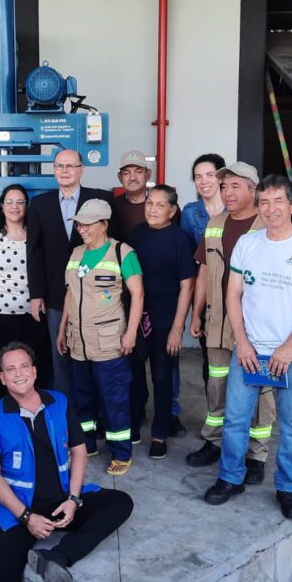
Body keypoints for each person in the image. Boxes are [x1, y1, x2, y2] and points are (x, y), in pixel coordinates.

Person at [204, 175, 292, 520]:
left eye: (278, 201)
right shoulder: (248, 244)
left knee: (291, 424)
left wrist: (288, 348)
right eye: (264, 202)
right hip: (250, 350)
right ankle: (230, 478)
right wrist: (241, 342)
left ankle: (289, 488)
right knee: (235, 420)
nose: (271, 209)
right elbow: (233, 294)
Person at [0, 341, 133, 582]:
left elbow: (80, 451)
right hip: (18, 509)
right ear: (2, 378)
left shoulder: (58, 402)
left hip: (61, 499)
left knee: (120, 502)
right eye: (10, 369)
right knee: (2, 575)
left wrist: (73, 499)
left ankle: (58, 555)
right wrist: (26, 517)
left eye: (24, 366)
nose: (18, 373)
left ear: (35, 372)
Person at [188, 162, 277, 485]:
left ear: (253, 189)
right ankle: (214, 441)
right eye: (224, 186)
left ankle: (256, 454)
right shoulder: (214, 224)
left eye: (235, 186)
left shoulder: (267, 226)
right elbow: (203, 272)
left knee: (260, 387)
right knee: (216, 383)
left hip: (256, 326)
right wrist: (196, 314)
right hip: (217, 322)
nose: (227, 191)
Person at [56, 199, 144, 476]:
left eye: (88, 224)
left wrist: (131, 333)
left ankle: (121, 452)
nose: (81, 228)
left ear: (104, 224)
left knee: (114, 398)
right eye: (79, 223)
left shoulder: (122, 253)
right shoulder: (76, 253)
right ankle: (87, 444)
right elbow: (70, 293)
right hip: (78, 342)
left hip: (109, 342)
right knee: (83, 397)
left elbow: (138, 294)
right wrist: (62, 329)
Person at [26, 149, 113, 395]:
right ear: (54, 170)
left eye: (70, 166)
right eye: (59, 166)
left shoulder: (100, 200)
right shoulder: (40, 204)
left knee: (94, 351)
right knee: (60, 352)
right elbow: (34, 252)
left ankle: (93, 411)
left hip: (95, 294)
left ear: (81, 170)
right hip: (55, 293)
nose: (64, 171)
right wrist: (36, 293)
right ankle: (66, 412)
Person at [126, 185, 195, 458]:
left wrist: (177, 329)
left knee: (162, 376)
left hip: (166, 318)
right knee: (132, 373)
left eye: (159, 205)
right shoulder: (136, 235)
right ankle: (132, 423)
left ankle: (159, 434)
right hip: (138, 314)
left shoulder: (180, 239)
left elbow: (187, 286)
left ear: (172, 210)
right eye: (149, 203)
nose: (152, 209)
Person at [0, 184, 49, 401]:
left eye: (20, 202)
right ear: (1, 206)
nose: (15, 207)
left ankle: (35, 407)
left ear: (27, 207)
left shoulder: (37, 235)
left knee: (35, 362)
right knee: (2, 363)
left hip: (33, 313)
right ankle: (3, 407)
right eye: (10, 202)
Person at [172, 153, 229, 437]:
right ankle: (214, 420)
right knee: (212, 363)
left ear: (221, 176)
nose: (203, 181)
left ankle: (237, 421)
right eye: (198, 176)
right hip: (204, 291)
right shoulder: (191, 212)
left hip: (235, 291)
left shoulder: (236, 209)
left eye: (209, 174)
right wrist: (194, 309)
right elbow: (191, 261)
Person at [109, 149, 152, 243]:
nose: (132, 178)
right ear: (120, 177)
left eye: (138, 172)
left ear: (148, 174)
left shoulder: (162, 204)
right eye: (126, 173)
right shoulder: (113, 206)